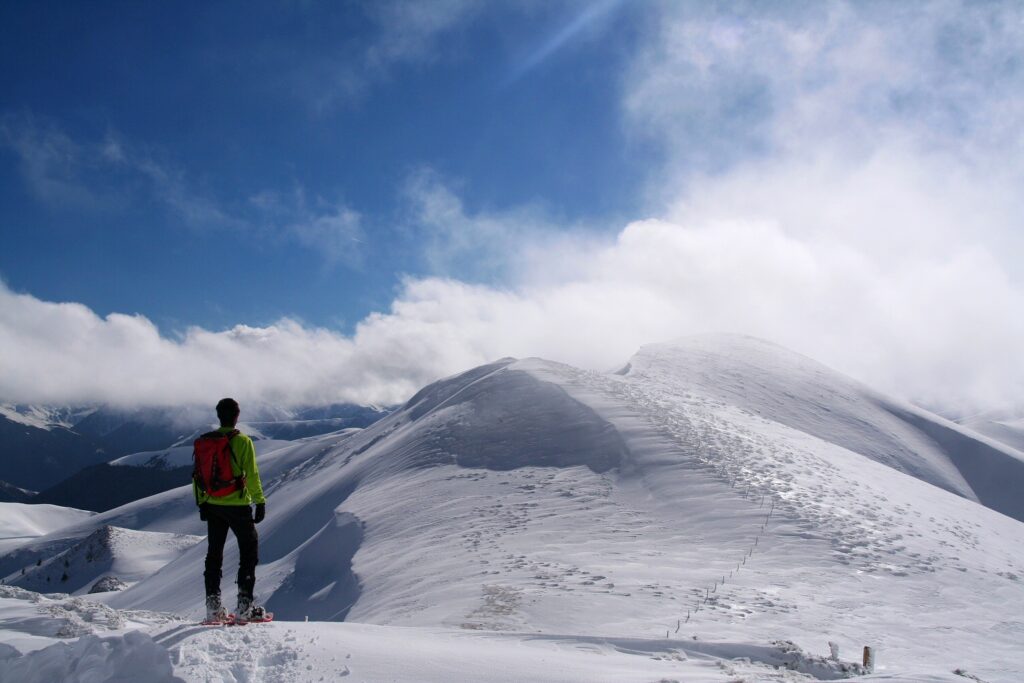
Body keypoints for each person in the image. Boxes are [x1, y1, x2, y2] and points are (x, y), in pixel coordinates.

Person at [194, 397, 267, 622]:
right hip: (238, 506)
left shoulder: (206, 442)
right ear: (237, 416)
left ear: (219, 416)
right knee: (248, 551)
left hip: (213, 504)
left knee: (214, 555)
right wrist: (260, 501)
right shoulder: (243, 441)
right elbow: (252, 474)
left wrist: (202, 503)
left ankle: (213, 608)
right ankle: (245, 606)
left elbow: (198, 476)